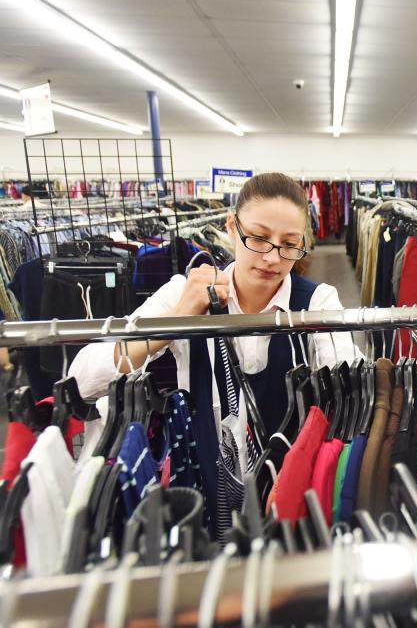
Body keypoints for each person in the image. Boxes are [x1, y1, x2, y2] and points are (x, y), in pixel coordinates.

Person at [69, 172, 361, 454]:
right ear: (232, 227)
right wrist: (177, 319)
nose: (272, 258)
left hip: (288, 485)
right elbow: (82, 381)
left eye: (288, 244)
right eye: (258, 238)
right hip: (205, 483)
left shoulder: (317, 302)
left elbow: (353, 385)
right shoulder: (183, 292)